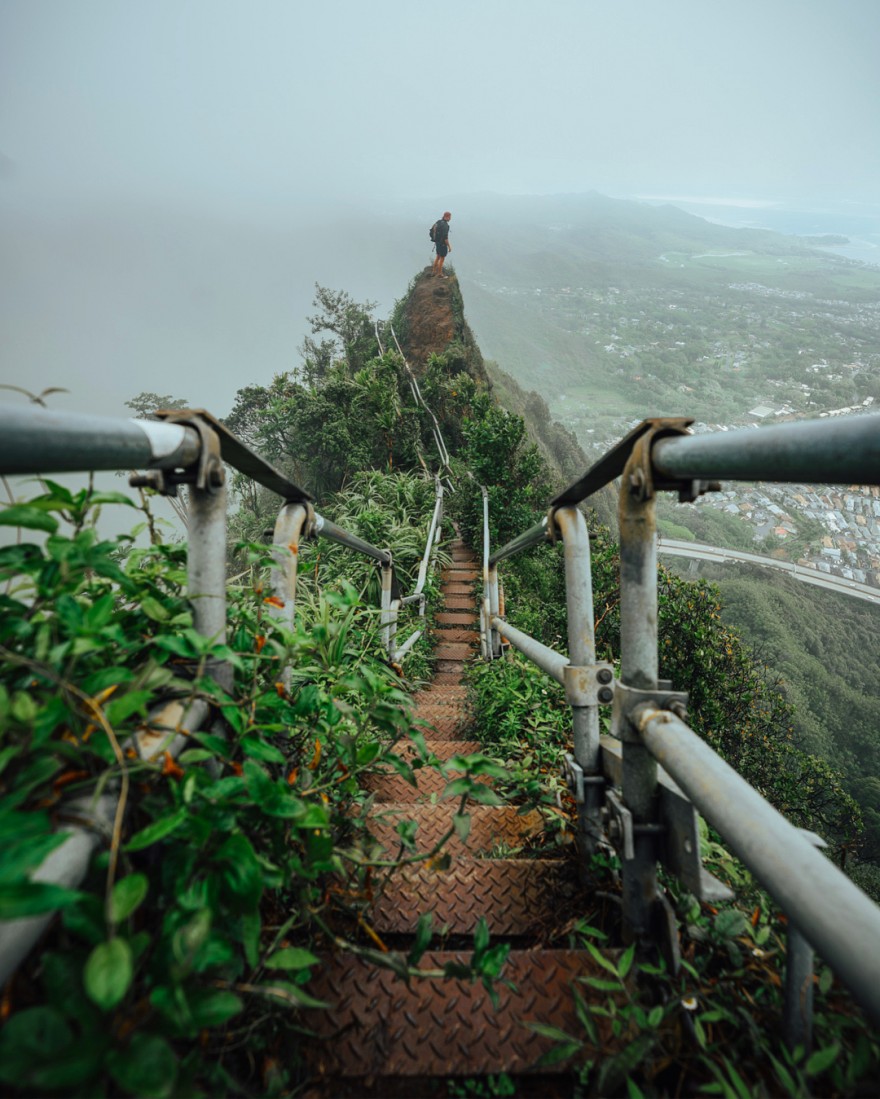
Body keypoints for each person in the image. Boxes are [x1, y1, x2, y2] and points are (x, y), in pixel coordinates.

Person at [432, 211, 452, 277]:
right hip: (442, 244)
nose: (450, 218)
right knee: (442, 258)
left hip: (437, 243)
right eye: (450, 217)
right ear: (447, 217)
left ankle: (434, 271)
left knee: (438, 256)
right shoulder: (445, 225)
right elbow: (445, 238)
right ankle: (440, 274)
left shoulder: (439, 222)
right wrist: (449, 246)